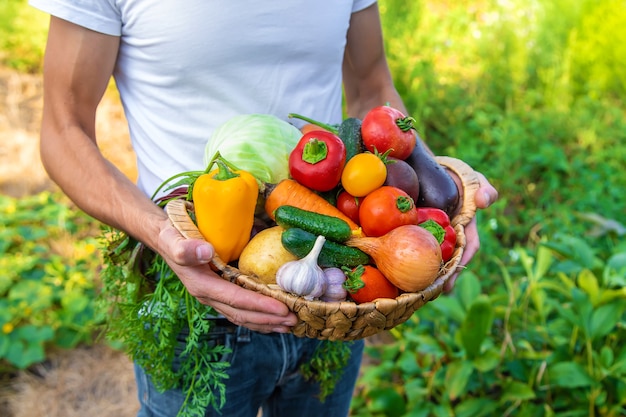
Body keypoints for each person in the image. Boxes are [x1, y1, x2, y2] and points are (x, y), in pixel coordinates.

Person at [30, 1, 498, 416]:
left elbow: (371, 85)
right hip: (193, 297)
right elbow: (63, 130)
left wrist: (443, 191)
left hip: (335, 287)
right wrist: (161, 235)